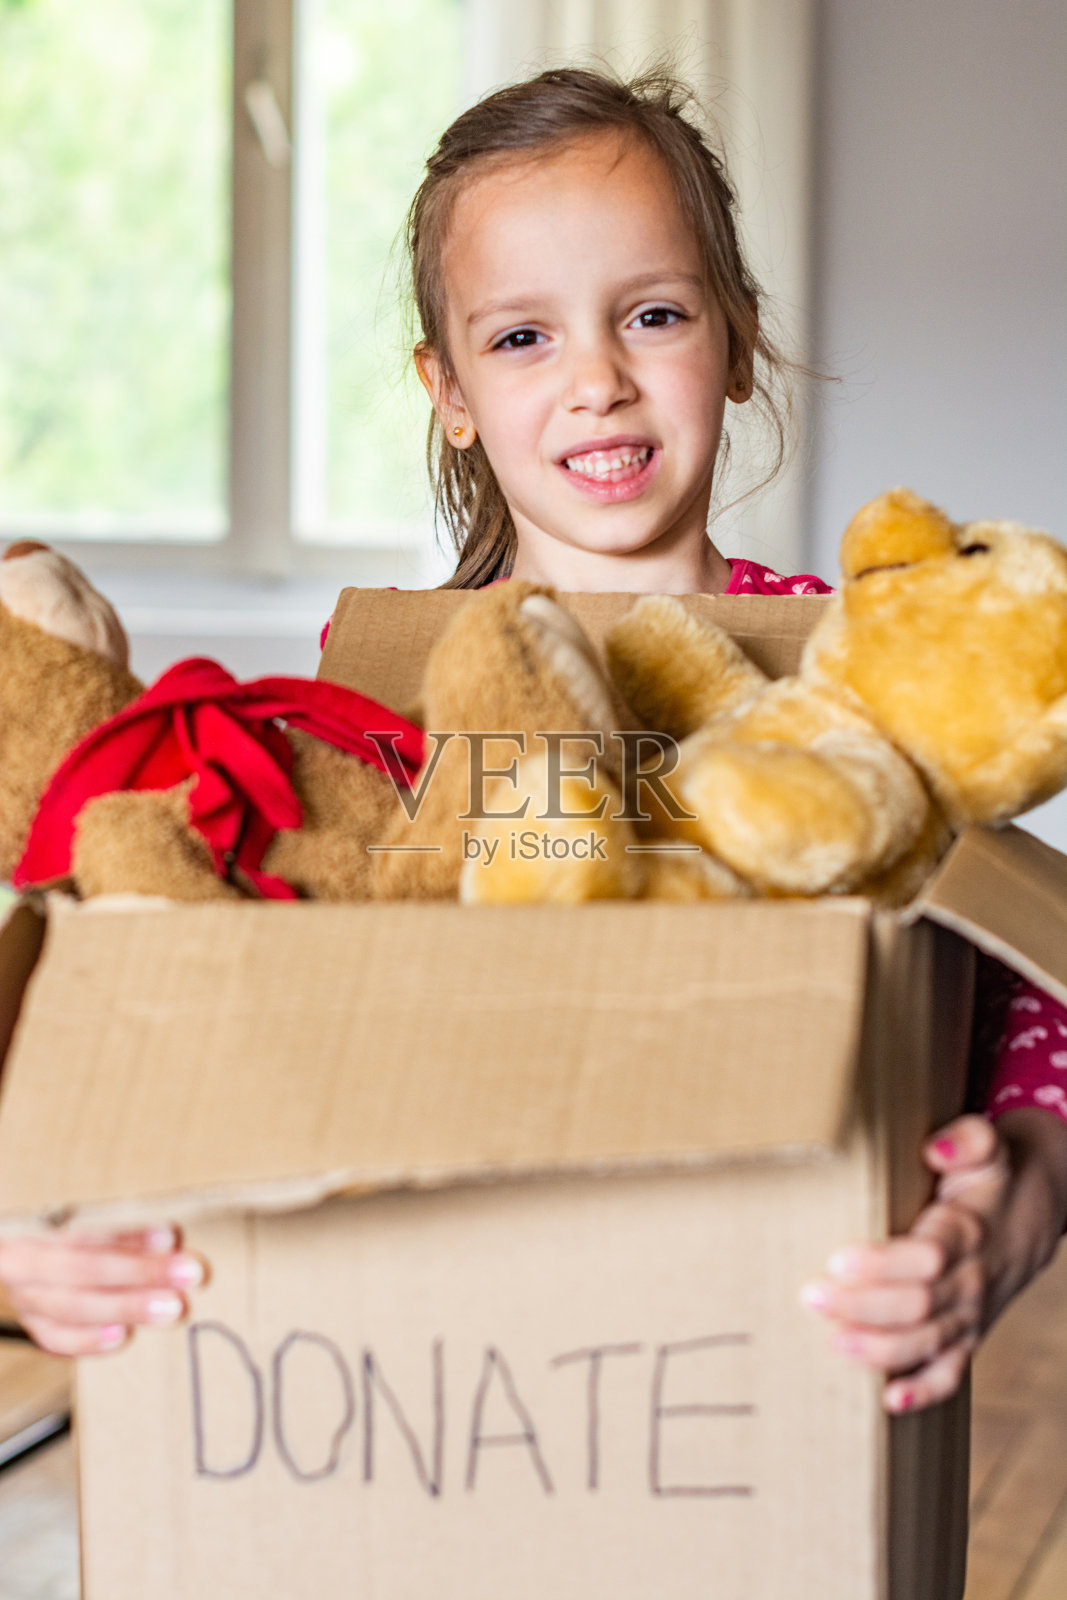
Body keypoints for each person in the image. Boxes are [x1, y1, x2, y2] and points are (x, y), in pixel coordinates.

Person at [2, 66, 1065, 1414]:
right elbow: (223, 996)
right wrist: (39, 1220)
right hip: (427, 1373)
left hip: (762, 1349)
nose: (598, 382)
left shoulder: (854, 664)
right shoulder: (374, 701)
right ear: (447, 389)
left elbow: (1022, 974)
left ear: (738, 340)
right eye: (522, 338)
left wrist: (1020, 1195)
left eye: (654, 315)